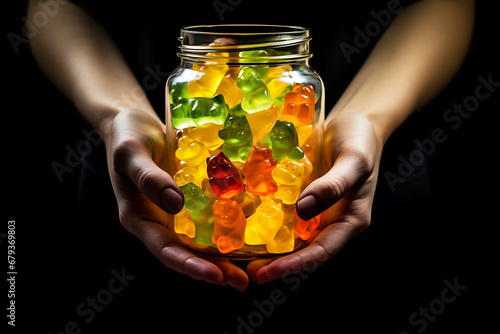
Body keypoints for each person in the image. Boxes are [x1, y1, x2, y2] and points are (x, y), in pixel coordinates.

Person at [27, 0, 475, 291]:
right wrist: (114, 115)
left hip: (373, 176)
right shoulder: (192, 90)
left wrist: (371, 122)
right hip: (136, 173)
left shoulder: (299, 90)